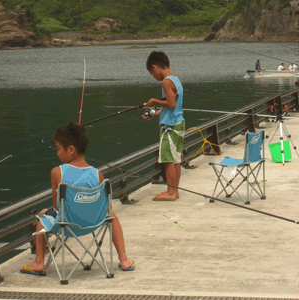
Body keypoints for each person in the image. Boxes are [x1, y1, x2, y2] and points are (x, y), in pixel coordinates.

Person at [20, 122, 135, 275]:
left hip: (68, 225)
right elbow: (107, 207)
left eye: (58, 149)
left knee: (42, 215)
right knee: (112, 216)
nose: (57, 153)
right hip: (95, 223)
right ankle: (124, 259)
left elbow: (57, 206)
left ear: (71, 150)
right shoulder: (97, 174)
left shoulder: (57, 172)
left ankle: (39, 262)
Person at [143, 51, 185, 201]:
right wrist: (154, 113)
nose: (154, 77)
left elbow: (171, 104)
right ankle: (176, 191)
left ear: (155, 67)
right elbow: (172, 106)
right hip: (179, 122)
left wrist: (154, 101)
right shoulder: (176, 80)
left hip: (170, 126)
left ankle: (170, 192)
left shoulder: (166, 82)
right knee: (176, 159)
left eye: (152, 73)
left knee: (168, 160)